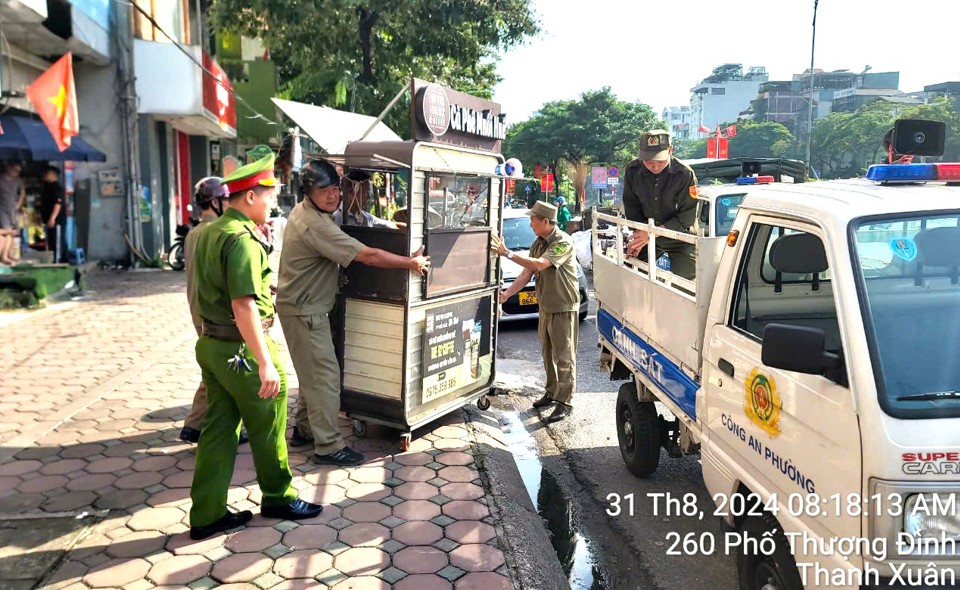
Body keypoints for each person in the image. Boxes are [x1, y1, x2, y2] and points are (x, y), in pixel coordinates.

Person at [189, 153, 322, 540]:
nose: (272, 205)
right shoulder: (242, 239)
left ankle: (207, 512)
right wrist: (264, 360)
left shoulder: (210, 232)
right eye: (268, 197)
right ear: (249, 197)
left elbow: (211, 290)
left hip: (214, 345)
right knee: (269, 425)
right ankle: (279, 495)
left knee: (218, 429)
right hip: (245, 347)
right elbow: (243, 304)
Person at [277, 159, 430, 466]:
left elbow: (323, 258)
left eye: (336, 189)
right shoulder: (315, 224)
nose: (334, 196)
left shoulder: (309, 212)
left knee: (312, 374)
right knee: (325, 378)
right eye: (325, 191)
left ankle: (305, 430)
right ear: (309, 191)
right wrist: (410, 263)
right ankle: (329, 447)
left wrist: (333, 275)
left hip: (306, 307)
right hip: (305, 311)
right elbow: (368, 255)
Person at [491, 200, 580, 423]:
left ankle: (564, 402)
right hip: (546, 307)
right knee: (548, 354)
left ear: (545, 221)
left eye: (533, 219)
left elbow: (540, 265)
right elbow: (525, 275)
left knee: (564, 357)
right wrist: (507, 294)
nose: (530, 224)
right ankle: (551, 393)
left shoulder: (562, 242)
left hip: (563, 307)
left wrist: (507, 253)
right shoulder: (538, 243)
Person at [180, 177, 249, 446]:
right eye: (227, 200)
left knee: (213, 366)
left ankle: (195, 424)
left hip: (198, 306)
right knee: (230, 367)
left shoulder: (195, 232)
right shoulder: (216, 232)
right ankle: (218, 425)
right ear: (217, 202)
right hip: (216, 310)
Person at [621, 130, 698, 280]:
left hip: (679, 237)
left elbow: (686, 217)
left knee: (688, 283)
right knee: (633, 272)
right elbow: (632, 207)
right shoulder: (632, 170)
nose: (654, 166)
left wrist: (651, 233)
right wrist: (639, 236)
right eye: (649, 161)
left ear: (670, 150)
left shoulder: (685, 174)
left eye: (660, 161)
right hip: (645, 234)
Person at [334, 168, 402, 229]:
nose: (368, 197)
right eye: (365, 192)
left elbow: (391, 225)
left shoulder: (366, 218)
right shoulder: (335, 220)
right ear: (351, 191)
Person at [0, 162, 25, 265]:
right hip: (2, 209)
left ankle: (7, 255)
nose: (16, 173)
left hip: (13, 209)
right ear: (9, 168)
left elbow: (22, 191)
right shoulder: (1, 179)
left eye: (18, 171)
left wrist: (18, 204)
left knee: (12, 232)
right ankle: (4, 256)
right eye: (15, 170)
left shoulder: (17, 180)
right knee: (7, 231)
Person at [39, 167, 66, 263]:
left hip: (56, 221)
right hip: (47, 220)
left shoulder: (57, 187)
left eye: (47, 173)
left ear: (53, 175)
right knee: (50, 241)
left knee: (57, 242)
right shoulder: (47, 188)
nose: (45, 175)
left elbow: (57, 204)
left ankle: (58, 261)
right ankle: (53, 260)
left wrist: (52, 218)